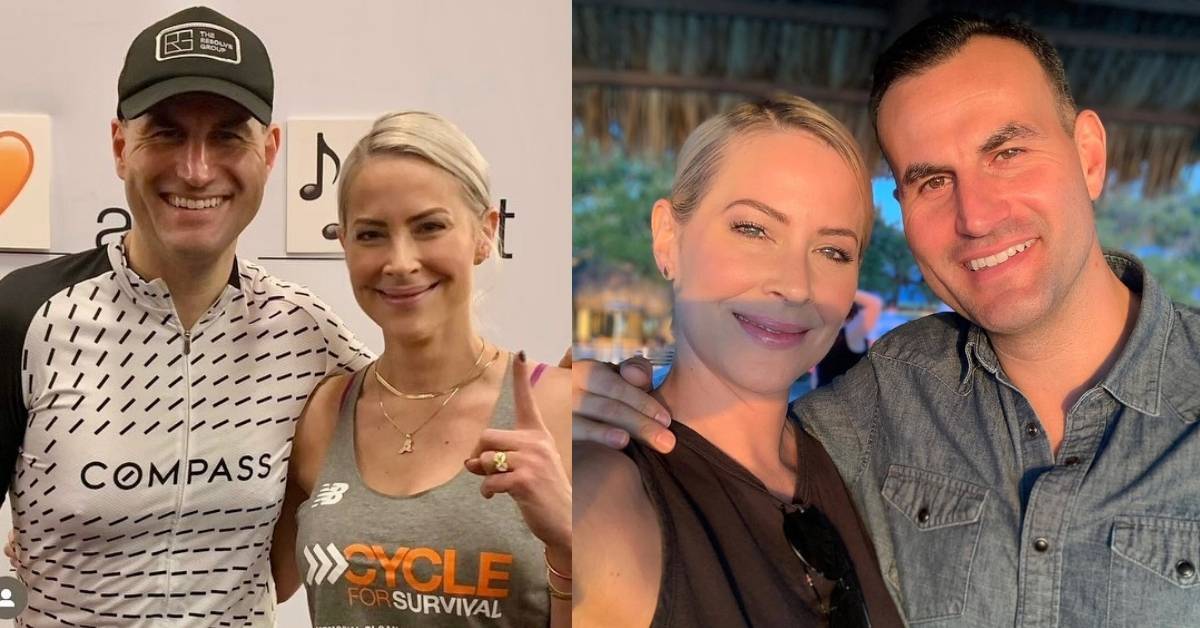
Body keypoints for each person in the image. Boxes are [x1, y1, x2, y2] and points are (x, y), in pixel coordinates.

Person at [572, 13, 1200, 627]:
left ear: (1089, 157)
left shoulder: (844, 434)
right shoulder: (875, 406)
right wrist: (588, 408)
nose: (975, 215)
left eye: (1007, 151)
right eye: (931, 180)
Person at [0, 7, 372, 625]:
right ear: (121, 146)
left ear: (270, 151)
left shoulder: (307, 334)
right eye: (167, 134)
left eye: (228, 135)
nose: (197, 169)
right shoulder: (26, 316)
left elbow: (420, 440)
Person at [574, 96, 902, 627]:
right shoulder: (606, 490)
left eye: (833, 251)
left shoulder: (859, 466)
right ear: (668, 238)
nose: (795, 285)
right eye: (753, 229)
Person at [269, 112, 572, 627]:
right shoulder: (323, 415)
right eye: (371, 235)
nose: (401, 261)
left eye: (429, 227)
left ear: (485, 232)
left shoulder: (561, 408)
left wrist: (568, 541)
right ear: (343, 243)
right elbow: (250, 583)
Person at [813, 290, 882, 388]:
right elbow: (874, 303)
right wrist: (839, 289)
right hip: (843, 398)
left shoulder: (825, 335)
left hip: (822, 396)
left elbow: (816, 376)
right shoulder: (850, 333)